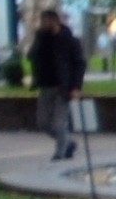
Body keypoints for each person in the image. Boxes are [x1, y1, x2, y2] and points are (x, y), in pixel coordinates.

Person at [27, 8, 86, 161]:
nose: (43, 25)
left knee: (59, 124)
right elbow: (30, 56)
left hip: (63, 87)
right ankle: (67, 143)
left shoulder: (70, 40)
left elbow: (80, 64)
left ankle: (60, 153)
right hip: (46, 85)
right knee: (43, 122)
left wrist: (76, 87)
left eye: (45, 21)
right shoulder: (42, 39)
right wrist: (38, 39)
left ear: (54, 21)